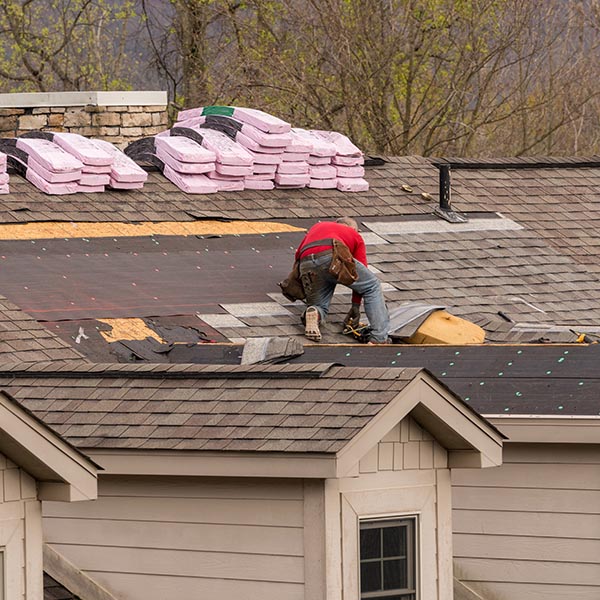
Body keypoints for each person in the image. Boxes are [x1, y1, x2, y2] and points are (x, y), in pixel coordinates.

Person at [295, 217, 390, 343]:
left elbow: (297, 255)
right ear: (352, 228)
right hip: (332, 255)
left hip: (306, 262)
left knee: (319, 305)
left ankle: (314, 313)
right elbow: (356, 275)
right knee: (372, 285)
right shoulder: (354, 235)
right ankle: (379, 337)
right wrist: (355, 306)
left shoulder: (318, 227)